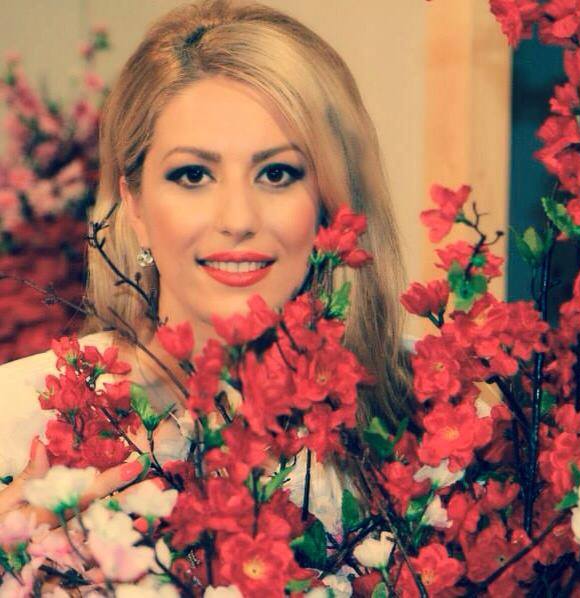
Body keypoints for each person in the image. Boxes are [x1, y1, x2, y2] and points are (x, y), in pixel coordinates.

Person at [0, 0, 415, 533]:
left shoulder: (430, 414)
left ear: (331, 203)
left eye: (277, 173)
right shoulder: (15, 423)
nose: (237, 219)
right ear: (135, 206)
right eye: (194, 175)